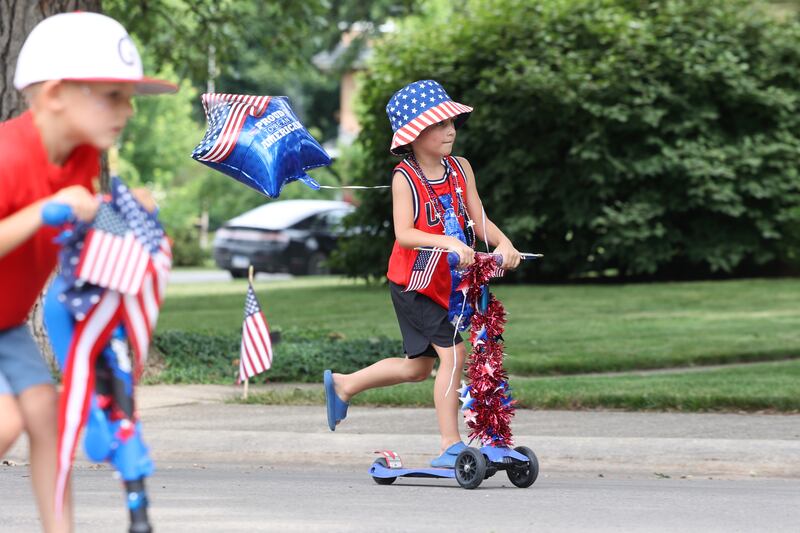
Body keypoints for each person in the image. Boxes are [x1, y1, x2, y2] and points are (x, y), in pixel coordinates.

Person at [0, 12, 176, 532]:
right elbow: (52, 209)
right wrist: (43, 210)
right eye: (113, 95)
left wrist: (122, 210)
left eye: (129, 98)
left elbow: (80, 217)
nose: (127, 110)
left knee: (48, 418)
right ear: (55, 94)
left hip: (7, 321)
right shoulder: (8, 157)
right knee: (11, 417)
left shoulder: (80, 156)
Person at [324, 80, 521, 468]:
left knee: (419, 368)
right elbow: (405, 233)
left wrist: (504, 244)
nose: (450, 130)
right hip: (414, 283)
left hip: (446, 285)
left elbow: (477, 217)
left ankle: (344, 384)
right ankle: (451, 444)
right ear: (414, 133)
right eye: (439, 124)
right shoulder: (405, 177)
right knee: (454, 353)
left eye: (452, 122)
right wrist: (449, 243)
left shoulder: (460, 168)